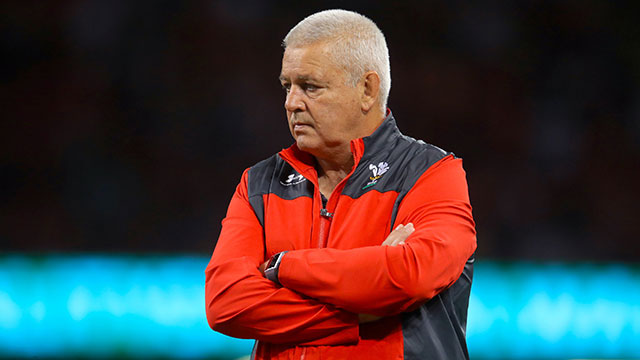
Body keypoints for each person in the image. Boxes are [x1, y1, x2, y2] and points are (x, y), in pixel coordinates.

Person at [205, 9, 477, 360]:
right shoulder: (258, 183)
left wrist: (283, 266)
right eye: (287, 86)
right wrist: (361, 310)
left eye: (310, 86)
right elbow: (226, 302)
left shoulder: (432, 172)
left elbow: (413, 275)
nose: (291, 103)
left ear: (367, 89)